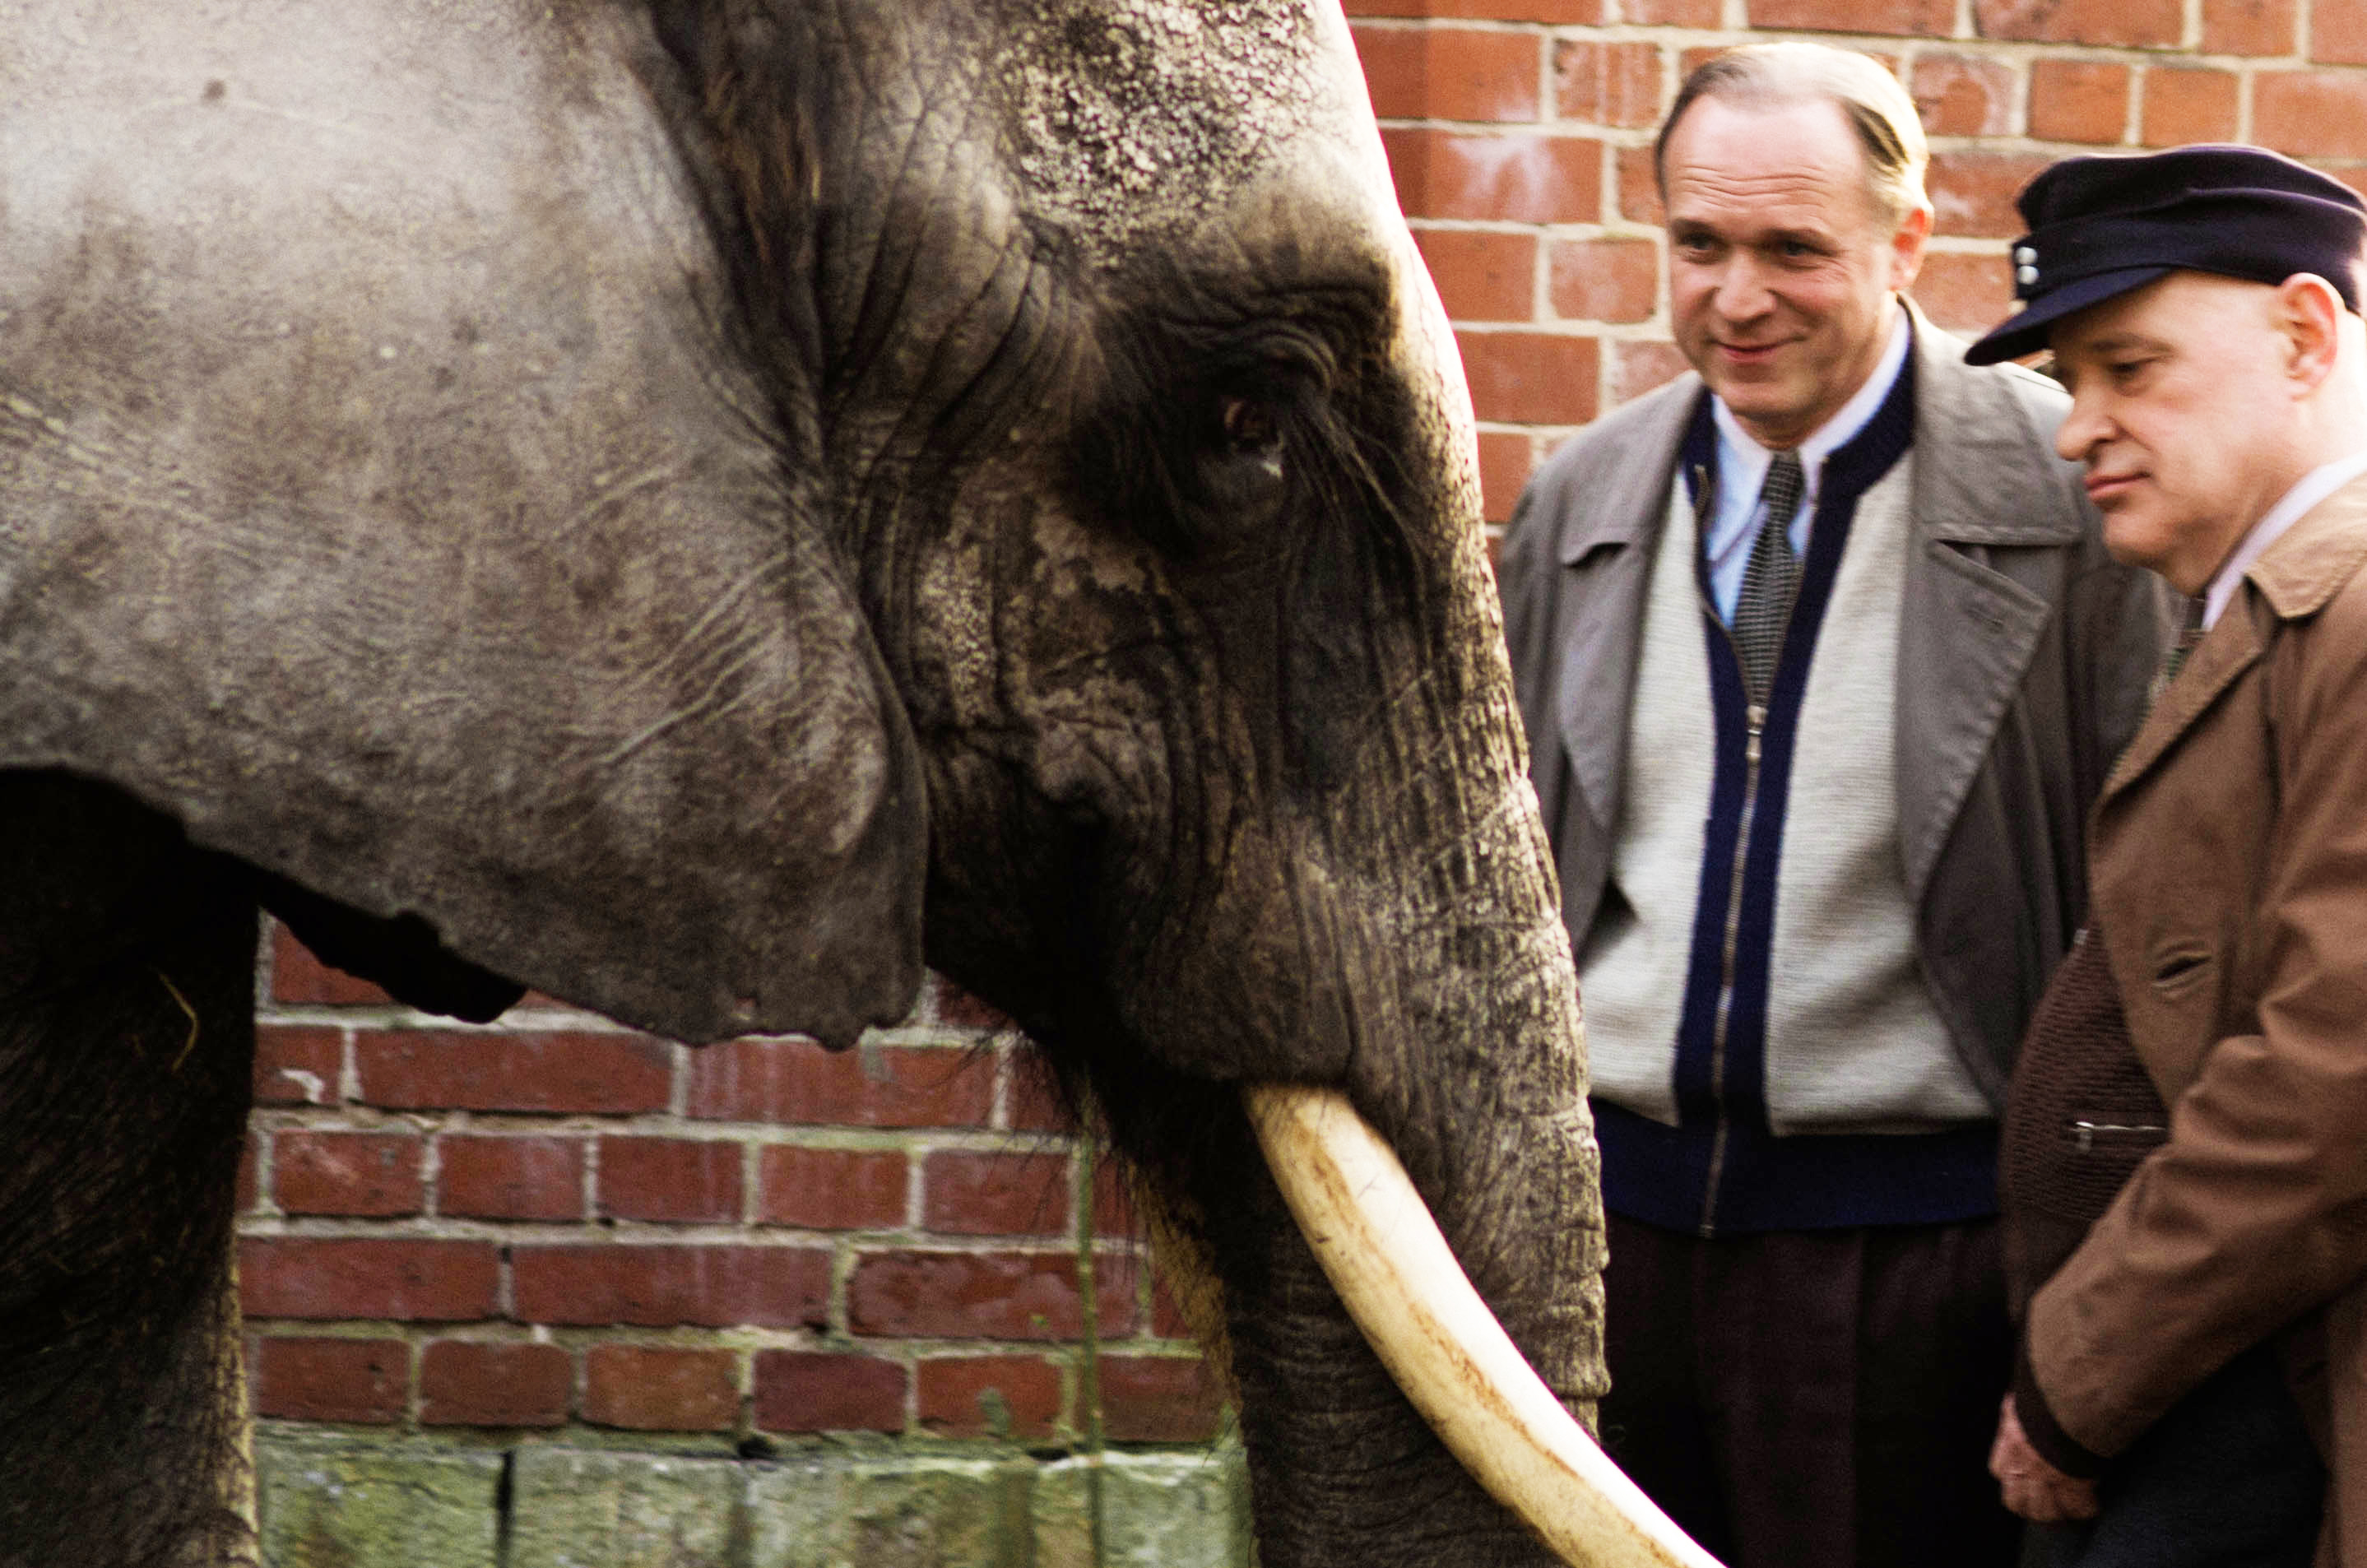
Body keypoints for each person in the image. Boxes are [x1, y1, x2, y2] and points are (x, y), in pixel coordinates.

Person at [1495, 43, 2170, 1568]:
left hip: (1925, 1262)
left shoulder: (2064, 498)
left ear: (1905, 243)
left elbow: (2150, 907)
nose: (1737, 299)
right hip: (1615, 1252)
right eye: (1698, 245)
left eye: (1794, 249)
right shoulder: (1577, 501)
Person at [1970, 144, 2367, 1566]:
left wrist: (2076, 1379)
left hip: (2263, 1417)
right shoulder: (2254, 608)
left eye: (2127, 368)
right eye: (2069, 381)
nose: (2076, 427)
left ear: (2305, 334)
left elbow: (2327, 1090)